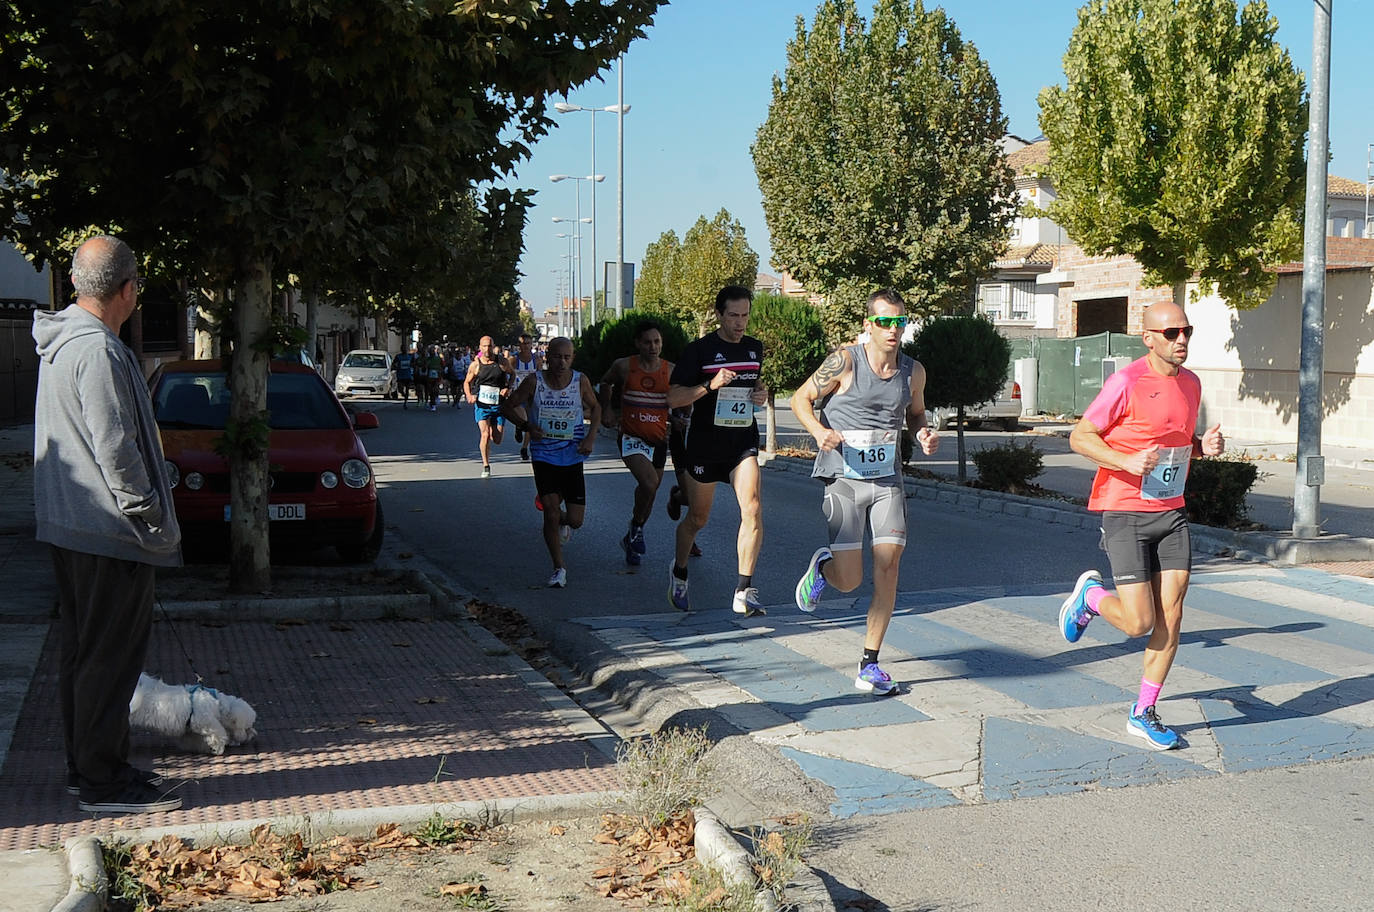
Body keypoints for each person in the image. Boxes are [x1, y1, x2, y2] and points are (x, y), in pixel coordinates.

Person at [33, 235, 183, 814]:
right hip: (107, 529)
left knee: (86, 652)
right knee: (108, 657)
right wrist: (148, 513)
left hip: (76, 525)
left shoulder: (66, 342)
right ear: (127, 290)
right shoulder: (95, 350)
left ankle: (93, 768)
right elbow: (114, 447)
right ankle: (101, 781)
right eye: (138, 285)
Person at [1058, 301, 1225, 750]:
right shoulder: (1126, 382)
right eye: (1171, 333)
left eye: (1186, 330)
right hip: (1126, 510)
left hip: (1170, 511)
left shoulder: (1191, 383)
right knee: (1137, 623)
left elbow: (1175, 442)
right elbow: (1080, 436)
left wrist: (1202, 447)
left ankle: (1143, 710)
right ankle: (1090, 597)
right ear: (1148, 337)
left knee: (1171, 615)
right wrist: (1125, 460)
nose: (1181, 340)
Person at [789, 290, 939, 695]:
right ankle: (823, 568)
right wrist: (819, 431)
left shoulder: (914, 372)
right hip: (843, 479)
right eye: (885, 322)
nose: (893, 330)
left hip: (887, 480)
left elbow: (915, 414)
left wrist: (922, 433)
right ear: (867, 326)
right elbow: (800, 398)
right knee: (850, 581)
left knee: (889, 566)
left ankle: (870, 663)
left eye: (900, 322)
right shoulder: (845, 360)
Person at [665, 285, 769, 615]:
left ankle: (743, 589)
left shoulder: (754, 349)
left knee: (752, 507)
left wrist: (760, 395)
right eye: (734, 316)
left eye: (746, 316)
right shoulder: (700, 351)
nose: (741, 323)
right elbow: (673, 398)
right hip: (705, 446)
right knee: (698, 518)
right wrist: (710, 385)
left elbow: (755, 388)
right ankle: (679, 571)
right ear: (719, 315)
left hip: (742, 443)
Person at [500, 337, 600, 588]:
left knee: (575, 520)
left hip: (573, 454)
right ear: (547, 357)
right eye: (557, 356)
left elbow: (596, 407)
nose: (562, 362)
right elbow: (507, 406)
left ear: (573, 358)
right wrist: (526, 426)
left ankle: (560, 522)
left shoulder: (580, 381)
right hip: (544, 454)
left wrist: (590, 438)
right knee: (551, 512)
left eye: (567, 357)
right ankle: (559, 567)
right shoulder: (535, 381)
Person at [599, 320, 674, 566]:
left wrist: (679, 418)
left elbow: (681, 398)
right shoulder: (623, 366)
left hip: (658, 439)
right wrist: (607, 409)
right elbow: (605, 382)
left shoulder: (670, 370)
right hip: (631, 436)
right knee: (650, 483)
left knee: (649, 492)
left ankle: (634, 531)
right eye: (647, 342)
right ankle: (636, 530)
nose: (653, 347)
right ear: (638, 343)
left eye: (657, 342)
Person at [465, 335, 512, 478]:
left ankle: (493, 424)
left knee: (497, 440)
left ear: (493, 346)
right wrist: (469, 395)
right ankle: (486, 465)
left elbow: (513, 374)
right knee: (484, 434)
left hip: (498, 405)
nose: (487, 349)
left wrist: (507, 388)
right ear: (480, 347)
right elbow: (467, 382)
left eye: (489, 346)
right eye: (484, 346)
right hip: (482, 405)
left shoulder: (502, 362)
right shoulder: (476, 364)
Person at [510, 333, 544, 462]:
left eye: (528, 343)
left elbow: (540, 377)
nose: (525, 346)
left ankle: (524, 448)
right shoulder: (513, 360)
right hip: (518, 394)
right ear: (519, 345)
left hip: (532, 395)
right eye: (523, 343)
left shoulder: (536, 360)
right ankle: (518, 426)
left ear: (531, 345)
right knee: (523, 418)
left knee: (531, 422)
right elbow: (507, 373)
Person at [393, 344, 416, 409]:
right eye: (403, 348)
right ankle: (403, 394)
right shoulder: (398, 356)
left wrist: (413, 367)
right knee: (400, 388)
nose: (404, 350)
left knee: (407, 389)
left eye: (405, 348)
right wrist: (395, 367)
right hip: (400, 375)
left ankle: (405, 403)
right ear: (401, 349)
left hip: (408, 375)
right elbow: (394, 364)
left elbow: (414, 363)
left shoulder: (410, 356)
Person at [422, 344, 444, 412]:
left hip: (437, 376)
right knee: (431, 391)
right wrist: (425, 367)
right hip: (429, 377)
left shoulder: (438, 359)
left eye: (433, 350)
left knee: (435, 389)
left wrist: (440, 372)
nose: (432, 352)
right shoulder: (427, 359)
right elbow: (424, 369)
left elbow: (443, 366)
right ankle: (432, 403)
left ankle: (435, 399)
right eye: (430, 350)